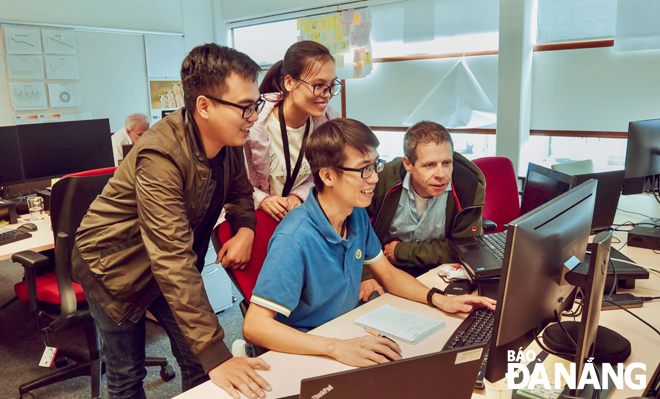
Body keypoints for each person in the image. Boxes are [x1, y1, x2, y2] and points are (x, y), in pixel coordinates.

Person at [72, 44, 272, 399]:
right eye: (244, 106)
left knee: (201, 362)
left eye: (254, 104)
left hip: (166, 265)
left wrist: (245, 229)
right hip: (113, 267)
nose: (253, 116)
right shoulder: (160, 155)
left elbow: (240, 194)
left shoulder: (229, 139)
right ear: (204, 106)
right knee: (127, 377)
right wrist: (217, 356)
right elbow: (171, 256)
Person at [242, 118, 495, 366]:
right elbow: (255, 327)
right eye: (364, 169)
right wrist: (335, 347)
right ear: (328, 176)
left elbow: (388, 274)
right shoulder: (295, 238)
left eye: (376, 166)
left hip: (346, 329)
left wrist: (440, 299)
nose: (374, 178)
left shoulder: (356, 215)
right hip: (308, 348)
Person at [359, 120, 486, 301]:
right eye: (429, 165)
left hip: (438, 270)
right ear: (408, 164)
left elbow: (466, 249)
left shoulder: (468, 187)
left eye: (446, 163)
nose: (441, 174)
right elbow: (355, 227)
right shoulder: (382, 179)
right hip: (385, 268)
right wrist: (367, 275)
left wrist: (404, 252)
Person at [244, 40, 341, 222]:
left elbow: (326, 175)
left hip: (298, 213)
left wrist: (298, 195)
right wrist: (261, 199)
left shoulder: (329, 124)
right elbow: (234, 179)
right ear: (289, 82)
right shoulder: (252, 121)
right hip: (256, 214)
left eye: (331, 85)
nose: (327, 94)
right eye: (318, 85)